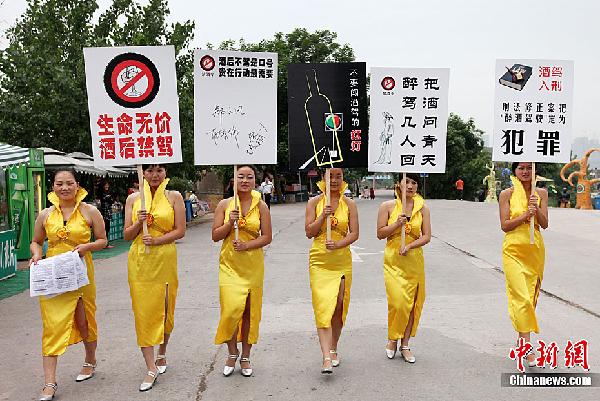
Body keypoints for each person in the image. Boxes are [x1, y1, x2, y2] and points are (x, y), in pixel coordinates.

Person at [30, 168, 107, 401]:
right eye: (59, 184)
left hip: (81, 274)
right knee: (52, 326)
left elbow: (102, 240)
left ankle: (90, 359)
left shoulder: (90, 211)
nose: (64, 188)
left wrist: (86, 247)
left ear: (77, 185)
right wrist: (36, 255)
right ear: (52, 186)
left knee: (85, 321)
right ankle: (49, 382)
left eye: (69, 183)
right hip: (53, 276)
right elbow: (36, 241)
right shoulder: (45, 215)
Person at [123, 164, 186, 391]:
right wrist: (139, 223)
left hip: (165, 258)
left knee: (166, 309)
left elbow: (180, 230)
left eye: (159, 170)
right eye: (149, 171)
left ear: (165, 173)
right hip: (140, 261)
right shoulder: (133, 199)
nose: (154, 175)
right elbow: (126, 235)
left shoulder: (174, 196)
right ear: (142, 173)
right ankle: (150, 367)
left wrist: (158, 240)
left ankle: (162, 352)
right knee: (144, 312)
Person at [212, 165, 272, 377]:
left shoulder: (261, 206)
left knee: (248, 312)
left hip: (252, 265)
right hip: (229, 265)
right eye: (241, 176)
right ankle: (231, 352)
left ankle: (245, 356)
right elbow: (216, 236)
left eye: (250, 177)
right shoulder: (225, 204)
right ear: (233, 180)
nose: (245, 180)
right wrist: (230, 223)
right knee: (230, 310)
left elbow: (267, 237)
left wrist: (247, 245)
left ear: (255, 181)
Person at [305, 168, 359, 374]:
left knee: (338, 306)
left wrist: (339, 245)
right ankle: (326, 356)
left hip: (341, 259)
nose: (335, 180)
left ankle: (334, 347)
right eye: (330, 176)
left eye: (339, 176)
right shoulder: (314, 203)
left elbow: (354, 233)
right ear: (323, 179)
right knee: (322, 307)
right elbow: (309, 232)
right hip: (319, 260)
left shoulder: (349, 204)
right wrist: (322, 216)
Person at [377, 173, 431, 363]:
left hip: (413, 259)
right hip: (393, 260)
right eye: (406, 181)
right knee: (398, 303)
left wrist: (410, 246)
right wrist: (396, 224)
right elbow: (380, 233)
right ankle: (392, 338)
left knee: (411, 304)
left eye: (414, 182)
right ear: (398, 184)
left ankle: (405, 344)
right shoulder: (387, 207)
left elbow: (426, 236)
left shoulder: (422, 209)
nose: (410, 186)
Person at [499, 162, 548, 368]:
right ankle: (527, 349)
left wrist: (535, 210)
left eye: (529, 167)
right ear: (515, 171)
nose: (526, 171)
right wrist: (523, 216)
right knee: (520, 297)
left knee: (530, 298)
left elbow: (544, 224)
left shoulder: (541, 193)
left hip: (534, 249)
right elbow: (504, 225)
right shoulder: (506, 194)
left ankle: (522, 338)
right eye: (521, 168)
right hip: (513, 249)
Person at [98, 181, 114, 247]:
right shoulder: (101, 193)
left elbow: (111, 201)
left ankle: (106, 243)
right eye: (105, 185)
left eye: (107, 185)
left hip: (108, 212)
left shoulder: (108, 193)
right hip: (104, 212)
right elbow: (107, 200)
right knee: (105, 228)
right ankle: (105, 244)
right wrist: (109, 198)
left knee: (107, 227)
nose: (107, 186)